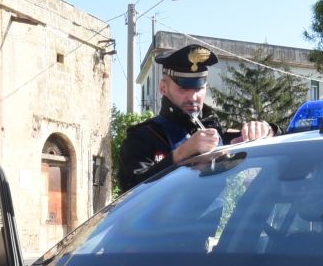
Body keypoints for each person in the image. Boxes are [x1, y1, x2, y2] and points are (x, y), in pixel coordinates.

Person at [117, 44, 274, 192]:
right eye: (184, 88)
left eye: (198, 88)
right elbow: (131, 192)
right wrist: (179, 155)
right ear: (163, 88)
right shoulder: (143, 137)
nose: (193, 96)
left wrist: (266, 130)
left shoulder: (215, 130)